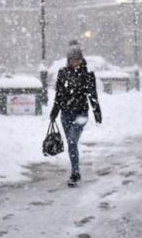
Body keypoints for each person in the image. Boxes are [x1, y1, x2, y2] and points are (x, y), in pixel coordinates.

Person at [50, 40, 102, 187]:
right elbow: (59, 95)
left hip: (81, 114)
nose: (75, 62)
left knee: (72, 141)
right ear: (68, 60)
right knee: (71, 145)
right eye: (73, 60)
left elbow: (92, 94)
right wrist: (54, 111)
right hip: (65, 114)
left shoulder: (87, 74)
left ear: (81, 59)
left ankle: (75, 173)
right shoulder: (63, 73)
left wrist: (96, 111)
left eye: (78, 60)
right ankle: (75, 170)